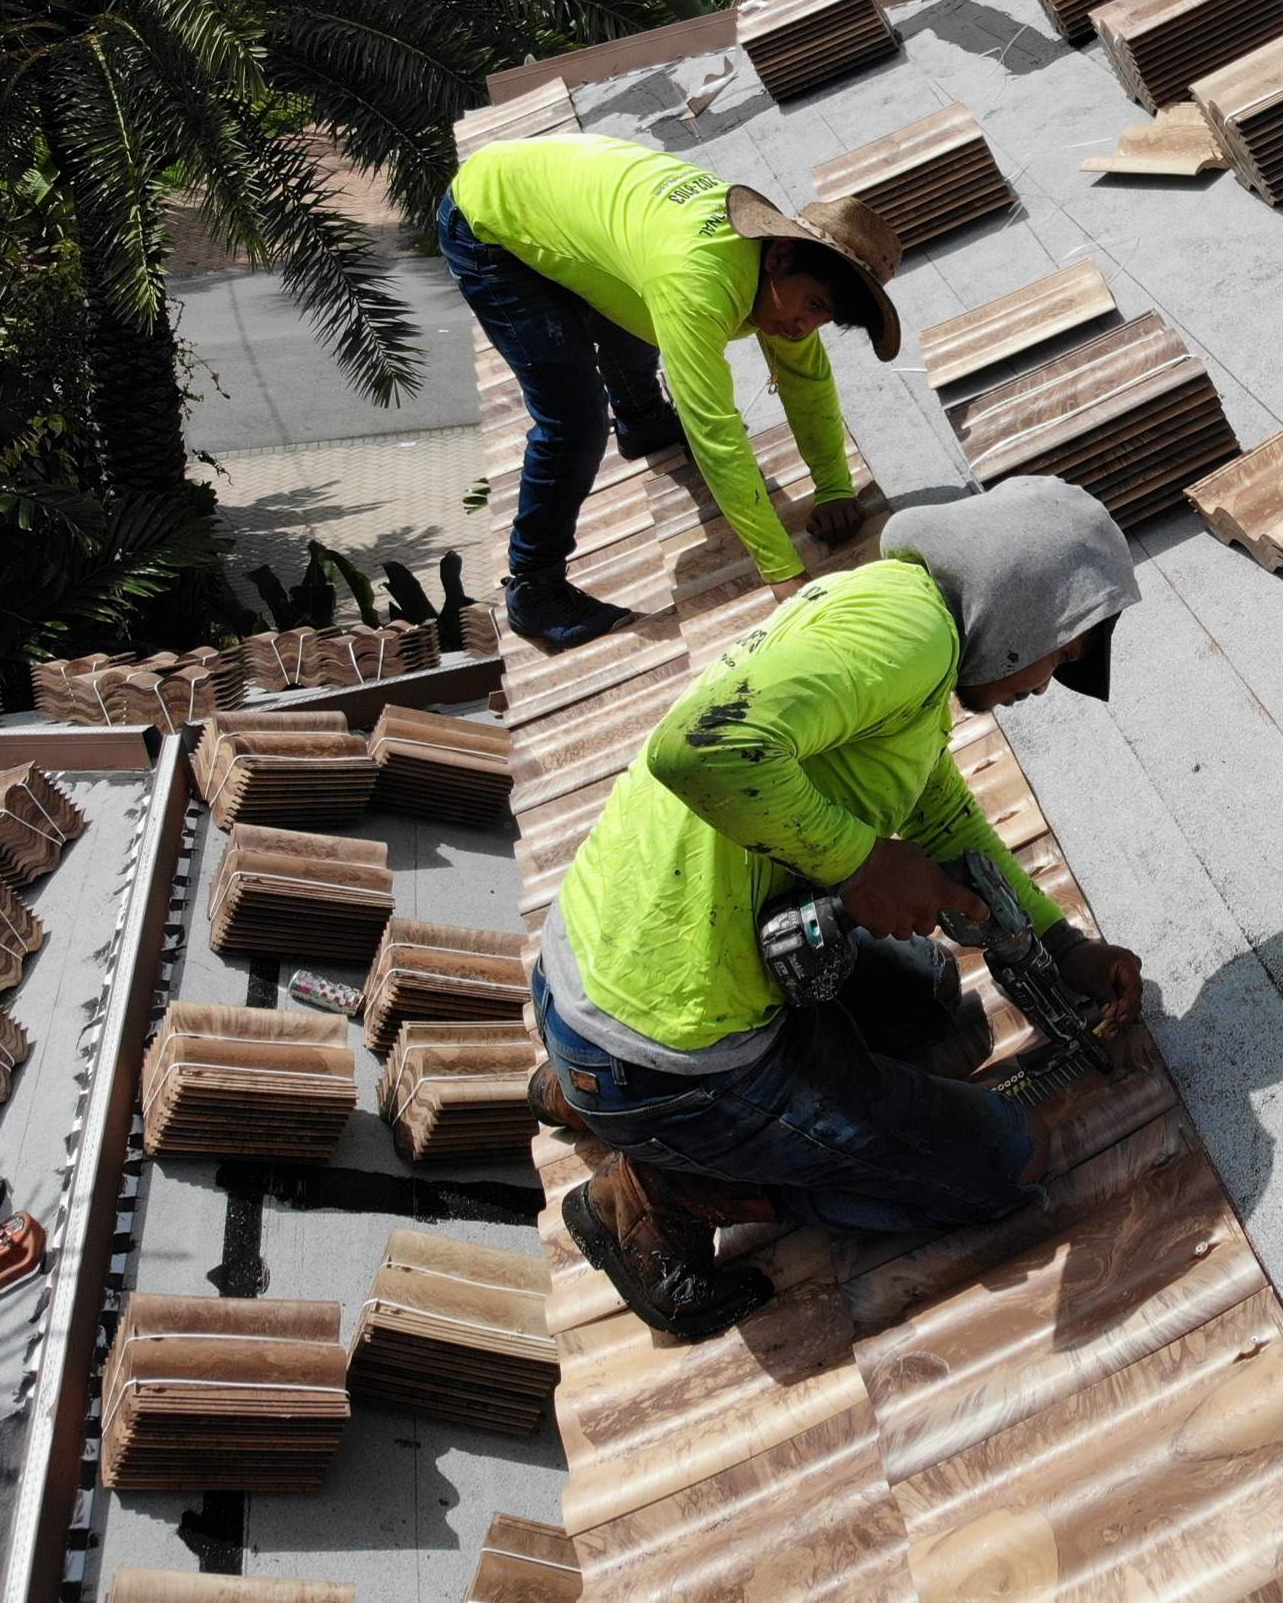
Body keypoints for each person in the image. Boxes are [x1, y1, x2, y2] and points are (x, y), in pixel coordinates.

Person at [528, 476, 1147, 1338]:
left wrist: (1059, 942)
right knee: (1008, 1161)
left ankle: (578, 1086)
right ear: (1022, 612)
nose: (1050, 682)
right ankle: (658, 1185)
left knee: (930, 994)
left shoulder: (890, 612)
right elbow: (698, 748)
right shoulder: (912, 639)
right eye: (1064, 651)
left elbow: (939, 813)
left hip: (589, 967)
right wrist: (858, 864)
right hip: (668, 1054)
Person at [437, 129, 903, 651]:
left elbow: (807, 380)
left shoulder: (784, 275)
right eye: (813, 306)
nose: (804, 328)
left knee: (634, 299)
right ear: (779, 257)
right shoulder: (700, 281)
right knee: (574, 420)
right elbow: (716, 435)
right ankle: (534, 586)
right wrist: (784, 576)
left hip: (566, 199)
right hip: (491, 219)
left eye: (825, 317)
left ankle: (643, 419)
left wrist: (835, 486)